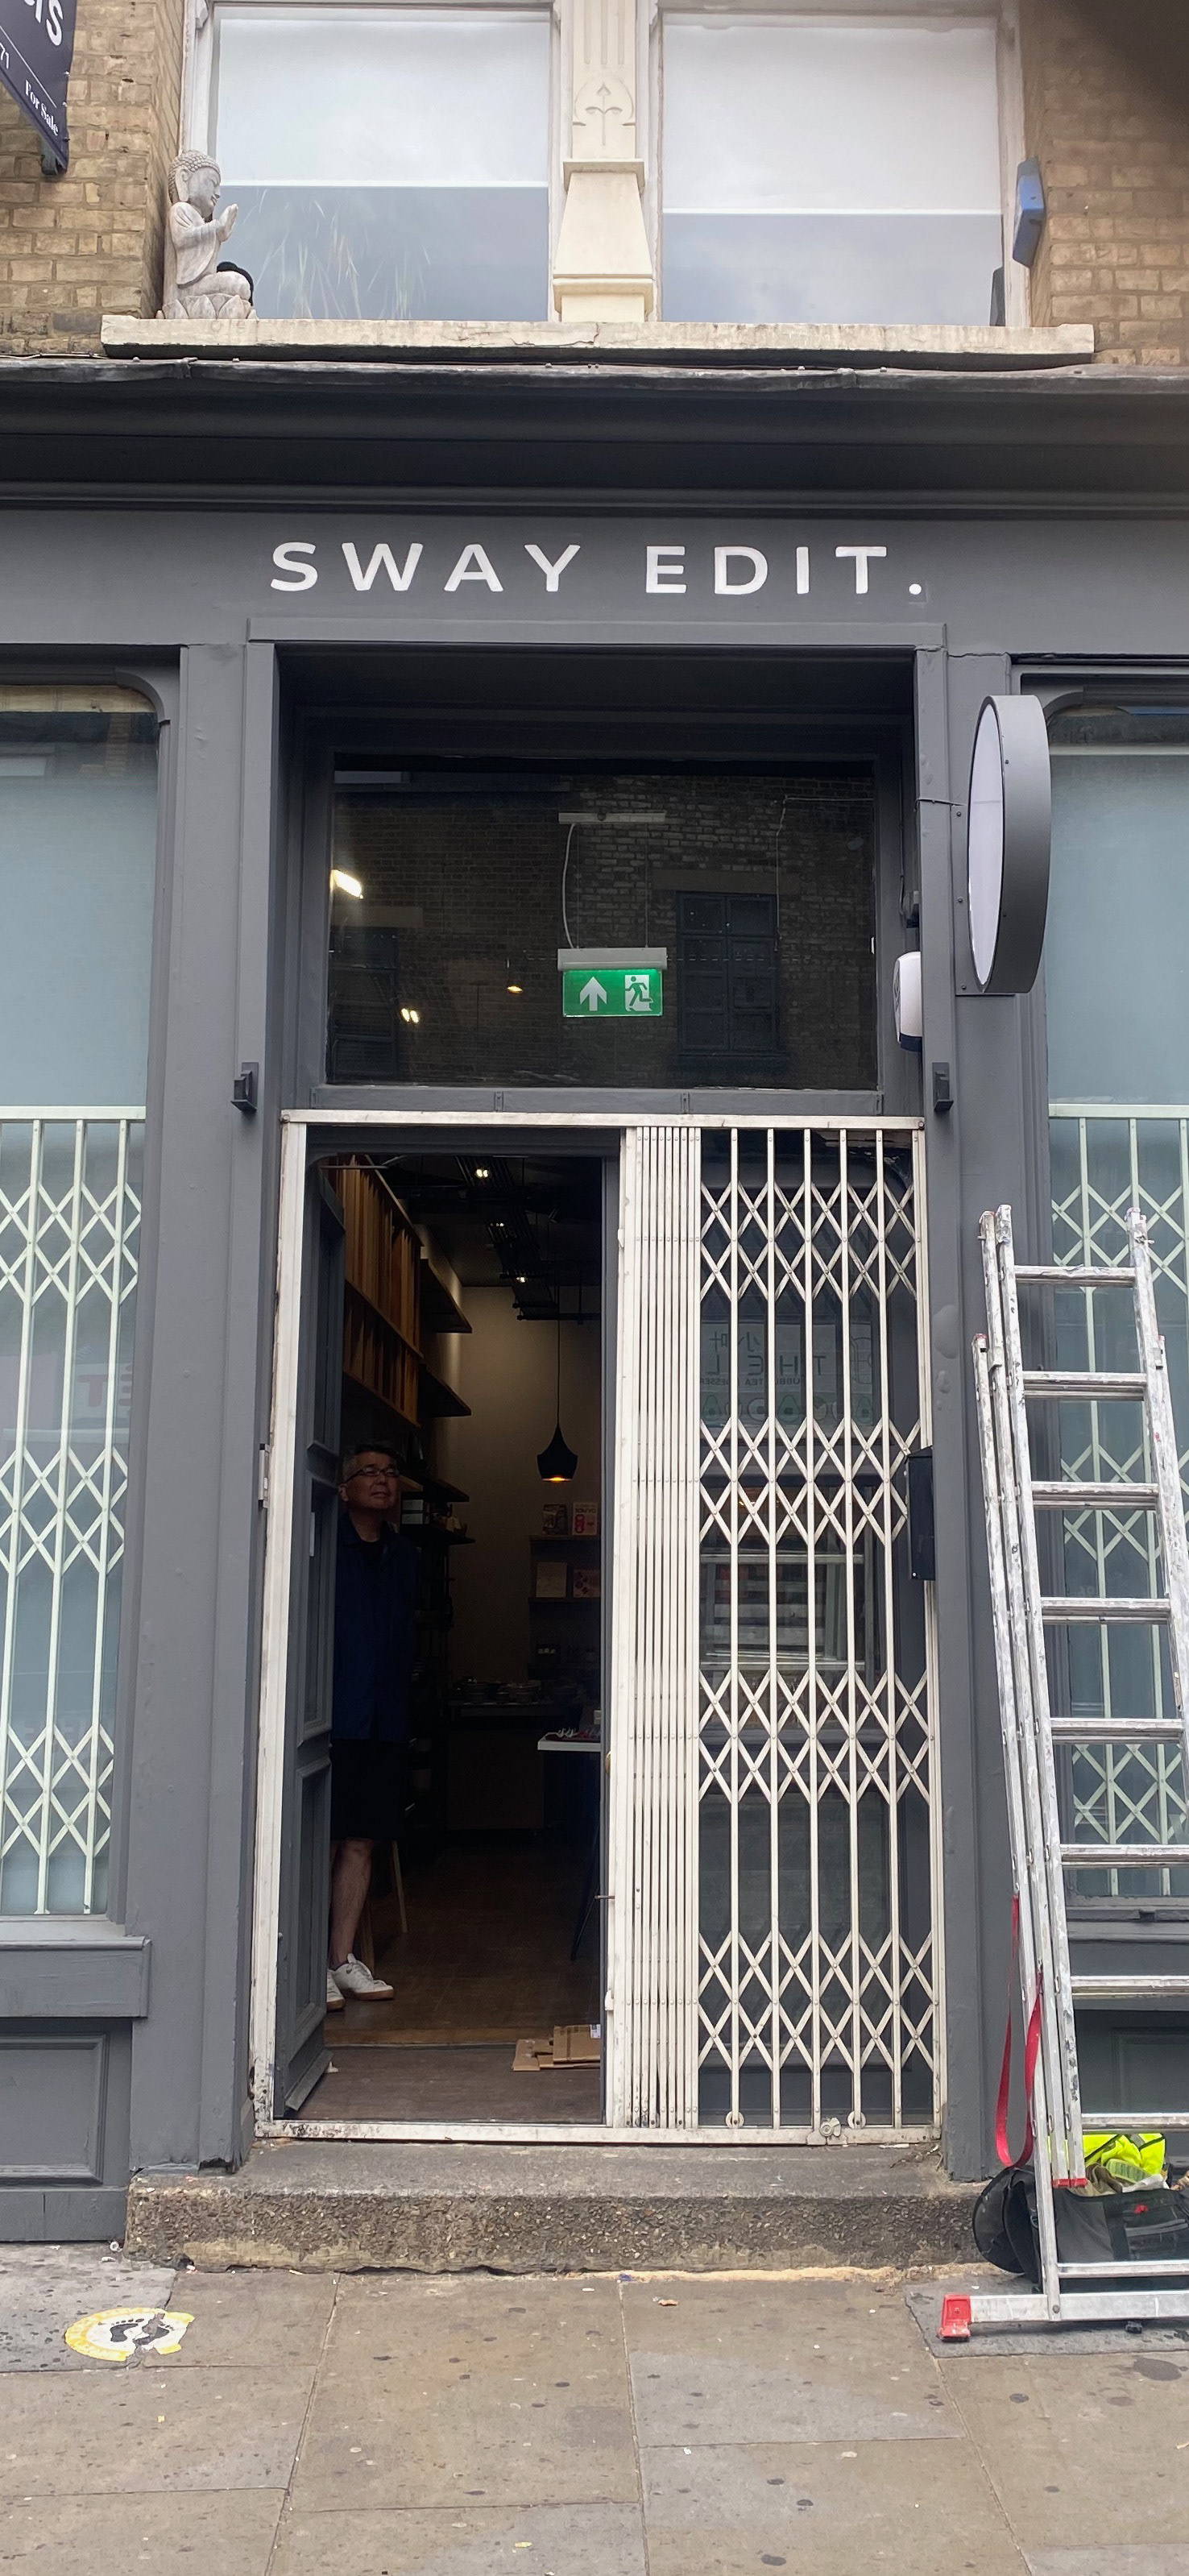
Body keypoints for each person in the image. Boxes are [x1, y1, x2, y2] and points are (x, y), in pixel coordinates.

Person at [326, 1444, 420, 2008]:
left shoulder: (403, 1554)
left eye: (390, 1472)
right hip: (333, 1712)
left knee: (362, 1840)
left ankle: (341, 1960)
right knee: (326, 1837)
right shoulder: (323, 1545)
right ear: (343, 1489)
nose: (383, 1480)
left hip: (384, 1715)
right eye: (369, 1472)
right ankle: (307, 1966)